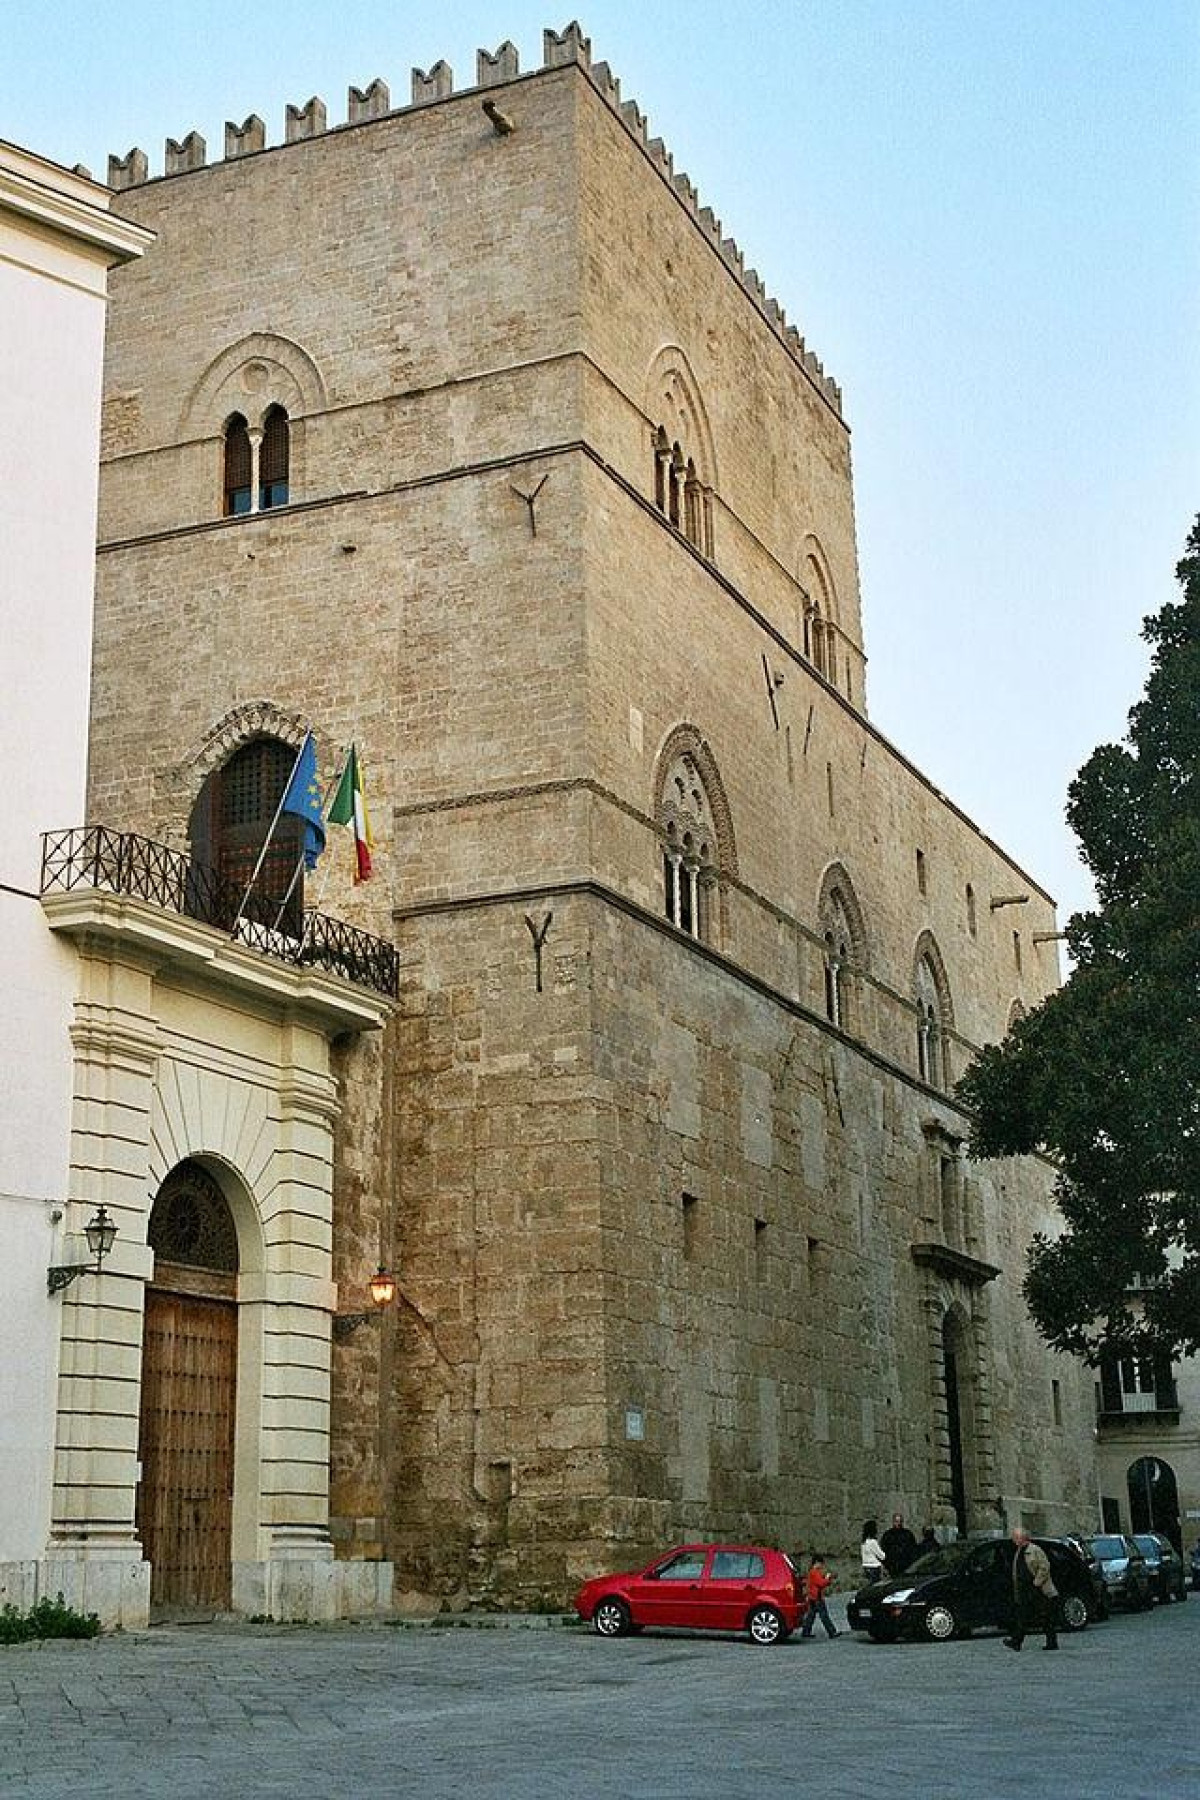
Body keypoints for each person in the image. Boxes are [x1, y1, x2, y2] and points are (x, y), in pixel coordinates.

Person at [1004, 1527, 1059, 1651]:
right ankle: (1016, 1641)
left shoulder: (1034, 1550)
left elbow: (1044, 1566)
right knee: (1022, 1615)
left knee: (1044, 1615)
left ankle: (1051, 1641)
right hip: (1024, 1589)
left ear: (1021, 1538)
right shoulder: (1019, 1550)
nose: (1013, 1540)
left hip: (1037, 1589)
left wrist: (1037, 1582)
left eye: (1015, 1537)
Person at [800, 1553, 839, 1638]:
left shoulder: (811, 1572)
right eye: (821, 1564)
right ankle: (832, 1632)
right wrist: (827, 1579)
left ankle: (806, 1632)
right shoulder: (814, 1572)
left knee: (811, 1616)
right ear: (817, 1563)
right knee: (824, 1615)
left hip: (812, 1597)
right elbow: (821, 1583)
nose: (821, 1566)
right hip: (817, 1597)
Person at [860, 1519, 889, 1585]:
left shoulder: (864, 1542)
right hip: (874, 1567)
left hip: (866, 1566)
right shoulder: (873, 1542)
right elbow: (882, 1556)